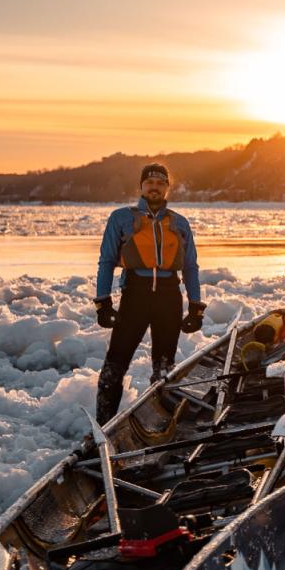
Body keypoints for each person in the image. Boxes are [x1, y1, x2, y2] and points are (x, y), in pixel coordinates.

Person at [93, 162, 204, 423]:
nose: (155, 187)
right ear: (141, 186)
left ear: (167, 188)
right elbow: (107, 260)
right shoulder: (121, 218)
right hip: (135, 295)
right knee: (115, 364)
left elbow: (190, 266)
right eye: (150, 183)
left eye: (160, 183)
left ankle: (162, 421)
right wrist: (103, 302)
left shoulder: (179, 223)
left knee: (165, 369)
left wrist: (196, 306)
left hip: (169, 297)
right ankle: (104, 424)